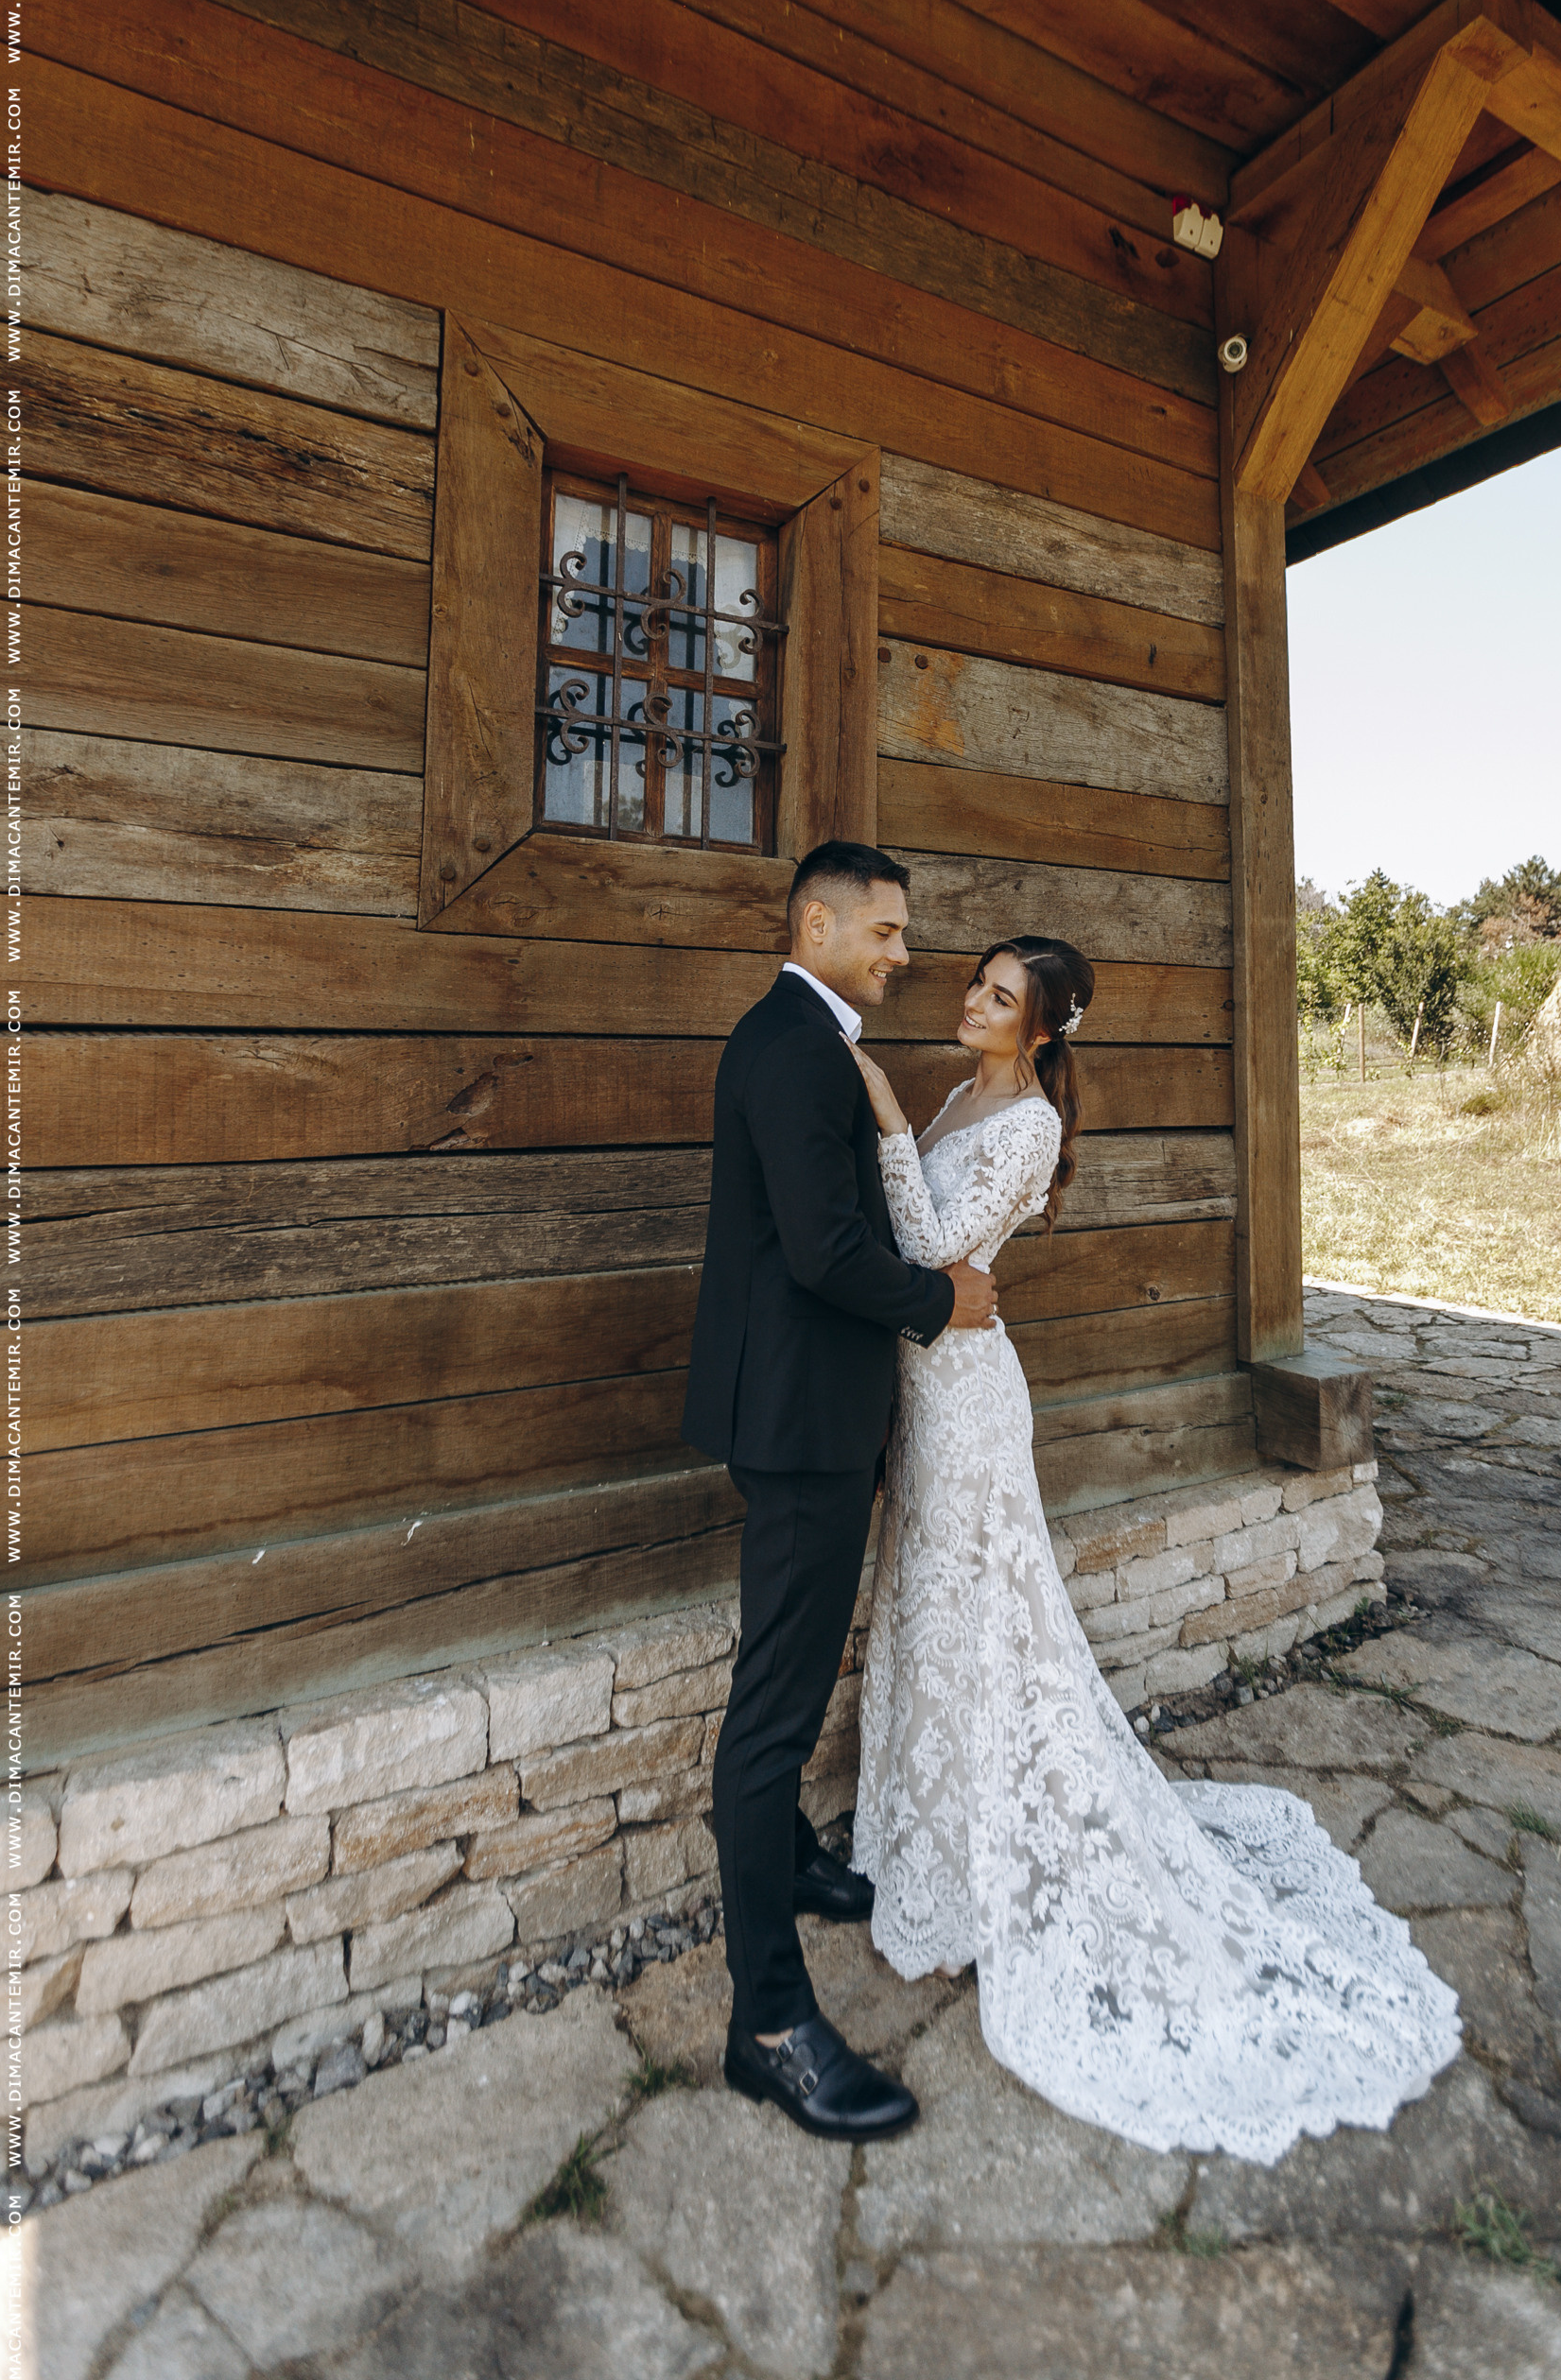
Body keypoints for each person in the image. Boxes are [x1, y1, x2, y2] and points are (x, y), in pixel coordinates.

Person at [846, 933, 1463, 2161]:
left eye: (1000, 996)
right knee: (926, 1610)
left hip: (968, 1399)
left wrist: (869, 1111)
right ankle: (930, 1850)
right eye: (977, 982)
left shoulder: (1023, 1125)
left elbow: (930, 1251)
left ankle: (1006, 1870)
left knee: (985, 1617)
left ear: (1042, 1028)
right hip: (918, 1390)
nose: (972, 1000)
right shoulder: (963, 1091)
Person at [681, 839, 997, 2143]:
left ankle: (799, 1863)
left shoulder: (794, 1037)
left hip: (805, 1411)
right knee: (770, 1720)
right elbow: (821, 1253)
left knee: (795, 1669)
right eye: (884, 929)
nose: (903, 953)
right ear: (813, 921)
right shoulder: (798, 1048)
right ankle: (768, 2026)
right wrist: (943, 1300)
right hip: (803, 1422)